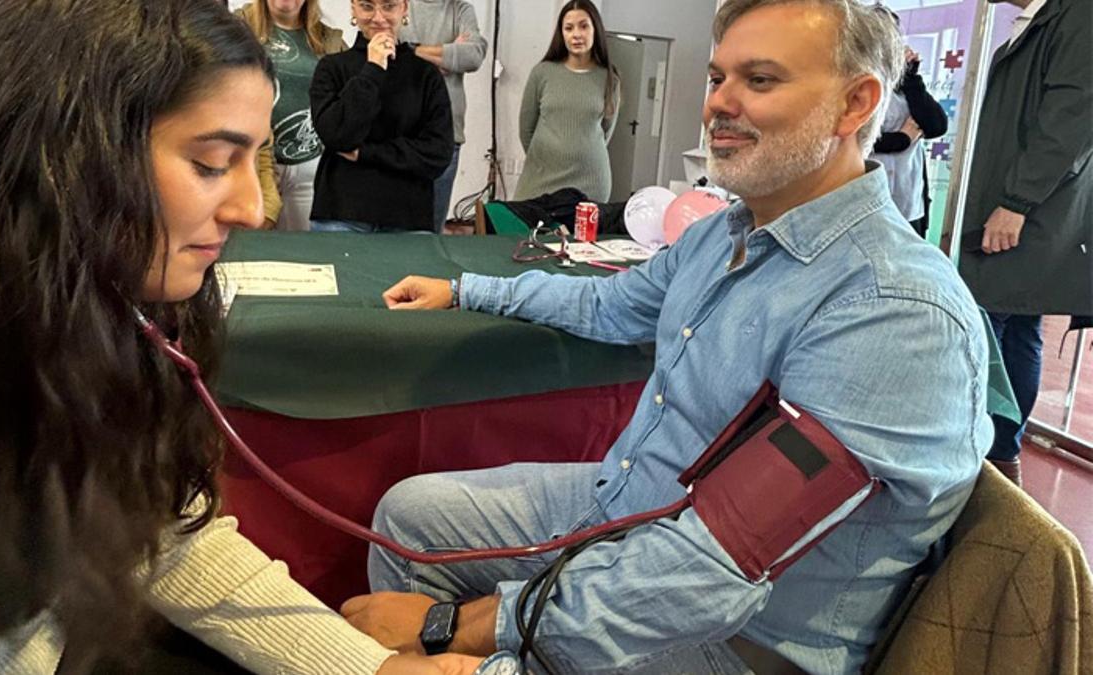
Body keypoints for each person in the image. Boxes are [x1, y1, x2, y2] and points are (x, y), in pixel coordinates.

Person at [343, 0, 994, 673]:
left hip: (734, 635)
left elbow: (707, 569)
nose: (719, 103)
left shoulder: (892, 310)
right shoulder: (723, 234)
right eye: (717, 79)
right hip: (628, 512)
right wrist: (464, 289)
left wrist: (460, 630)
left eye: (760, 80)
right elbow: (606, 304)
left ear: (855, 105)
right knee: (408, 518)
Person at [0, 1, 483, 673]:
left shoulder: (85, 311)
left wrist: (367, 667)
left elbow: (159, 528)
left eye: (251, 161)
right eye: (210, 163)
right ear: (62, 160)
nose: (251, 209)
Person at [957, 0, 1093, 486]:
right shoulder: (1040, 19)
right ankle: (998, 458)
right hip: (1014, 205)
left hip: (1024, 211)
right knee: (1015, 328)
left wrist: (1017, 201)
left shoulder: (1077, 14)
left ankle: (987, 455)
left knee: (988, 326)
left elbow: (1070, 120)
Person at [309, 0, 454, 233]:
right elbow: (337, 136)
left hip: (408, 218)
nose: (378, 17)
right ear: (353, 9)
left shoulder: (426, 75)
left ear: (404, 8)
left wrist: (366, 153)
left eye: (388, 6)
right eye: (367, 6)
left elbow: (438, 153)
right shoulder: (331, 67)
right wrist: (374, 68)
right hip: (342, 214)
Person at [238, 0, 348, 231]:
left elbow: (348, 98)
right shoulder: (238, 27)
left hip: (308, 166)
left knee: (301, 253)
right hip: (252, 163)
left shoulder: (327, 39)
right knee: (249, 251)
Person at [514, 0, 620, 203]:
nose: (576, 34)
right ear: (561, 34)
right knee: (526, 233)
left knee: (582, 235)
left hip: (591, 182)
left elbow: (605, 133)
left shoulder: (610, 79)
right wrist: (549, 158)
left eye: (583, 26)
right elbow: (525, 129)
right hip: (540, 178)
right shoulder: (542, 73)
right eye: (568, 28)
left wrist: (579, 152)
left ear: (595, 29)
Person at [401, 0, 488, 232]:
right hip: (399, 133)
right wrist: (449, 53)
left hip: (445, 134)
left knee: (432, 229)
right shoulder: (399, 5)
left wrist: (412, 50)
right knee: (393, 228)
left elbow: (473, 55)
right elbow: (390, 56)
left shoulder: (460, 9)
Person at [870, 8, 948, 237]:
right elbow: (845, 137)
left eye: (893, 35)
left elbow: (935, 126)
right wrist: (901, 139)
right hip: (867, 204)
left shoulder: (905, 86)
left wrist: (911, 77)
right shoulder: (849, 82)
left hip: (908, 205)